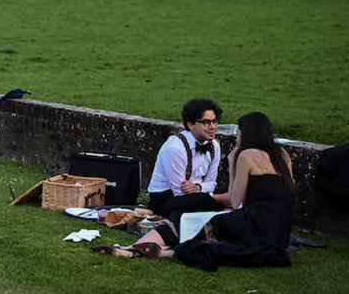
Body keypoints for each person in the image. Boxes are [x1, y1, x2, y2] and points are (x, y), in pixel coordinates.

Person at [92, 111, 296, 268]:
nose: (236, 138)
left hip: (255, 223)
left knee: (189, 219)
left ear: (248, 134)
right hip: (280, 228)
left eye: (238, 133)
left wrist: (232, 163)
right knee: (205, 217)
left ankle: (135, 249)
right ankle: (162, 251)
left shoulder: (245, 156)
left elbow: (235, 200)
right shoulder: (282, 154)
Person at [146, 98, 228, 217]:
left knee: (233, 192)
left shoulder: (214, 146)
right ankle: (221, 209)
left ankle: (219, 208)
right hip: (167, 198)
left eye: (214, 122)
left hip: (198, 193)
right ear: (190, 124)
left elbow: (211, 183)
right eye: (206, 122)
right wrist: (205, 195)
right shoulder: (175, 148)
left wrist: (198, 188)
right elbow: (179, 192)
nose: (213, 127)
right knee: (210, 200)